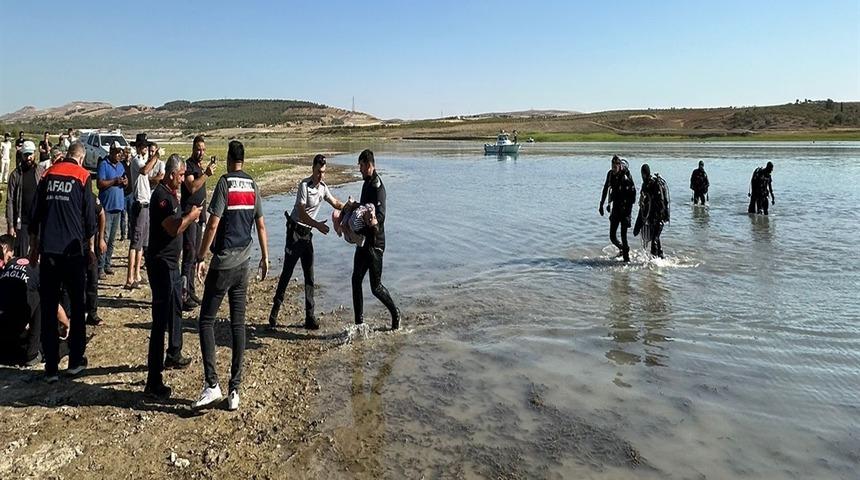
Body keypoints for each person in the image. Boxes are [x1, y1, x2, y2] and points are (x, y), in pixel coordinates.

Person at [194, 140, 269, 411]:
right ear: (244, 160)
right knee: (238, 325)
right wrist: (265, 256)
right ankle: (234, 389)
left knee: (205, 321)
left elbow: (213, 223)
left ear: (228, 159)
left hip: (223, 264)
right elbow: (260, 224)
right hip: (244, 264)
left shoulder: (225, 184)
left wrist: (200, 257)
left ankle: (212, 385)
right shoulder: (252, 185)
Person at [29, 142, 96, 382]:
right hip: (72, 252)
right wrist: (91, 247)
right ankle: (75, 360)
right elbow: (89, 218)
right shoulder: (82, 175)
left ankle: (51, 367)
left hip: (49, 251)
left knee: (49, 306)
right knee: (77, 306)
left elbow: (35, 214)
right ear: (81, 158)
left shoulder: (48, 174)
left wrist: (34, 247)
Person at [143, 154, 202, 399]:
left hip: (171, 263)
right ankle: (153, 380)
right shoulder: (162, 197)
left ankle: (174, 352)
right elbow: (172, 227)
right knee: (159, 321)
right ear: (171, 174)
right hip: (161, 264)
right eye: (180, 175)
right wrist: (191, 217)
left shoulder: (171, 193)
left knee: (175, 307)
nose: (182, 180)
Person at [269, 154, 344, 329]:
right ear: (313, 169)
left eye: (323, 172)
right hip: (294, 234)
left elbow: (335, 203)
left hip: (307, 236)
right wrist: (317, 225)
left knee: (309, 276)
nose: (321, 176)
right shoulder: (304, 185)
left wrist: (351, 206)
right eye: (318, 172)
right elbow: (302, 213)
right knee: (287, 273)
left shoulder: (323, 188)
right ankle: (274, 312)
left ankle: (310, 317)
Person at [351, 149, 401, 330]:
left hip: (375, 245)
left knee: (376, 287)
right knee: (356, 280)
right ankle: (359, 323)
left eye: (362, 166)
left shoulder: (378, 187)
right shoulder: (366, 183)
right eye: (359, 167)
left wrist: (374, 221)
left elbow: (381, 215)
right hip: (363, 242)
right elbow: (364, 208)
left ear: (370, 165)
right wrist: (353, 206)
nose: (360, 170)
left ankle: (396, 314)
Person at [181, 135, 214, 310]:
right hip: (189, 215)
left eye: (203, 149)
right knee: (188, 256)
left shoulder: (199, 166)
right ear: (193, 148)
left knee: (194, 256)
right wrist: (206, 174)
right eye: (198, 149)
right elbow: (192, 187)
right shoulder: (188, 166)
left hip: (199, 216)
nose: (201, 152)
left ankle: (191, 291)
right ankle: (183, 295)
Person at [125, 133, 159, 290]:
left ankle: (137, 274)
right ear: (138, 147)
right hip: (139, 203)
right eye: (143, 146)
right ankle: (130, 278)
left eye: (146, 146)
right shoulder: (137, 161)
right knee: (135, 242)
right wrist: (156, 156)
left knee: (142, 243)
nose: (145, 149)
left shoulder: (142, 160)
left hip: (146, 203)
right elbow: (145, 171)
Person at [96, 142, 127, 277]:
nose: (119, 154)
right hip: (106, 207)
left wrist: (124, 183)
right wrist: (114, 181)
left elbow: (125, 181)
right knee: (104, 237)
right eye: (117, 152)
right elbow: (100, 183)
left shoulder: (121, 166)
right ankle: (100, 266)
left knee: (113, 239)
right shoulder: (104, 164)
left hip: (118, 206)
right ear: (111, 152)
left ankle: (107, 264)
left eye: (121, 152)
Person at [598, 155, 637, 262]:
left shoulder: (626, 176)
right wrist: (601, 204)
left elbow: (633, 195)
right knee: (612, 236)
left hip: (625, 209)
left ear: (619, 166)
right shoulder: (610, 174)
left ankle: (626, 259)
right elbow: (605, 189)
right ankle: (623, 249)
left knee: (624, 236)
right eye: (612, 167)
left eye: (615, 167)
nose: (613, 169)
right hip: (615, 207)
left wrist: (628, 211)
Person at [6, 141, 39, 258]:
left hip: (37, 220)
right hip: (22, 222)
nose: (29, 157)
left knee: (36, 254)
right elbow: (9, 200)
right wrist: (10, 225)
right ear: (21, 155)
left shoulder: (40, 172)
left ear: (35, 154)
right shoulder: (15, 175)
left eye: (31, 154)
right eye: (26, 155)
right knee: (21, 256)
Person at [634, 164, 668, 258]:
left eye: (643, 174)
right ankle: (661, 256)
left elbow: (661, 202)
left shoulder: (655, 184)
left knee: (654, 239)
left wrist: (661, 216)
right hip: (651, 217)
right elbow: (642, 206)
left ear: (645, 173)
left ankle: (654, 263)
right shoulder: (645, 185)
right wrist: (638, 225)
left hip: (659, 216)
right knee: (655, 237)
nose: (642, 176)